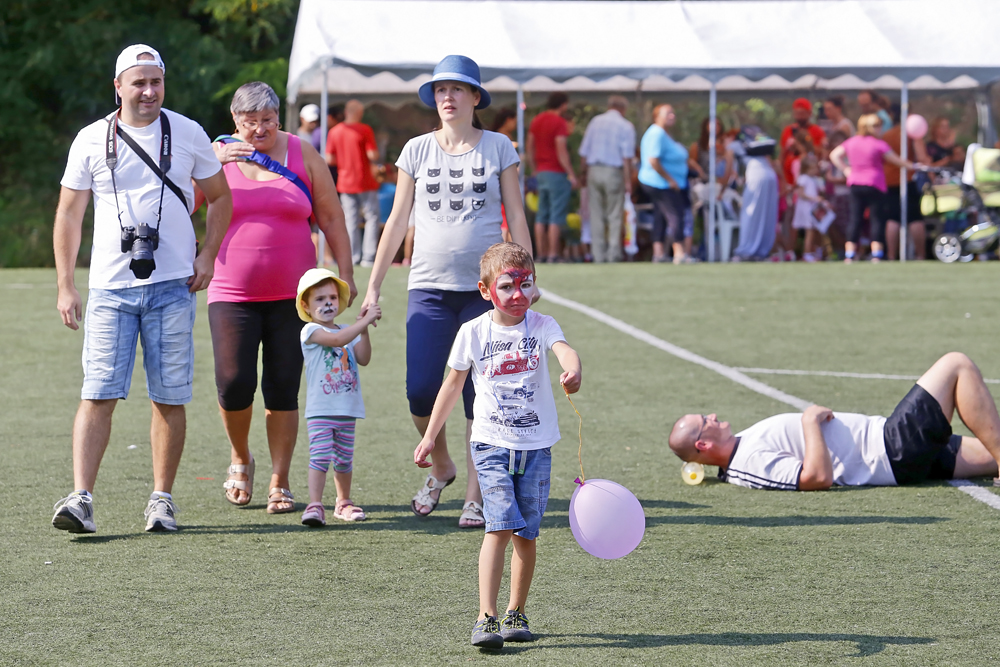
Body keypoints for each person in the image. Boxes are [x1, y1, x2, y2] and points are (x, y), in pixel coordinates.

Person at [52, 45, 232, 534]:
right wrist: (66, 284)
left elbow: (220, 197)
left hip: (173, 285)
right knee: (97, 393)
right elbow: (69, 213)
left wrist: (207, 255)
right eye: (139, 83)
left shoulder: (188, 132)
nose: (149, 91)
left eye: (156, 82)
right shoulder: (91, 139)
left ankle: (161, 500)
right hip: (110, 288)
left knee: (169, 397)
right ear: (118, 86)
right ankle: (81, 499)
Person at [359, 55, 532, 528]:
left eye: (457, 89)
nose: (448, 97)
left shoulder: (498, 147)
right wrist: (373, 286)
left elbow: (516, 214)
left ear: (476, 97)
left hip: (484, 293)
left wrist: (526, 277)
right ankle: (442, 466)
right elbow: (397, 220)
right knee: (420, 392)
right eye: (440, 90)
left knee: (481, 396)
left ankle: (476, 496)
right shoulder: (415, 149)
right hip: (428, 288)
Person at [413, 243, 582, 649]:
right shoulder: (472, 332)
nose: (518, 294)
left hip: (537, 446)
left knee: (527, 533)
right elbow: (451, 386)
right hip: (491, 445)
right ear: (485, 290)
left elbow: (564, 349)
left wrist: (573, 368)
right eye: (507, 286)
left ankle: (515, 612)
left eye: (526, 284)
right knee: (500, 525)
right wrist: (430, 435)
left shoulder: (542, 325)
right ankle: (485, 617)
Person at [207, 81, 355, 514]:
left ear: (279, 117)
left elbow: (331, 215)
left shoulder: (301, 151)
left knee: (283, 385)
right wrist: (209, 165)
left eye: (268, 120)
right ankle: (240, 456)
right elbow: (179, 202)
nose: (260, 130)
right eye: (250, 122)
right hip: (230, 290)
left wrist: (345, 273)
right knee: (233, 382)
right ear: (235, 120)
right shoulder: (214, 155)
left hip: (295, 295)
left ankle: (279, 477)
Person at [668, 352, 1000, 491]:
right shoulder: (747, 464)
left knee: (993, 452)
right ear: (703, 444)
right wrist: (810, 422)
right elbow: (815, 478)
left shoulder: (740, 447)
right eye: (705, 420)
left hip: (893, 448)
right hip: (892, 450)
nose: (713, 416)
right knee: (956, 363)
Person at [296, 268, 381, 527]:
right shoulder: (310, 330)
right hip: (321, 410)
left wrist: (364, 330)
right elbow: (336, 341)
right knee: (320, 457)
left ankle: (343, 502)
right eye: (320, 299)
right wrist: (363, 323)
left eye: (332, 298)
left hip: (347, 409)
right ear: (306, 306)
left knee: (344, 460)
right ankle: (314, 504)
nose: (328, 303)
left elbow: (364, 358)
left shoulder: (348, 330)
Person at [830, 114, 916, 262]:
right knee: (876, 219)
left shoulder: (852, 142)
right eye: (877, 126)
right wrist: (913, 166)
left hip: (856, 184)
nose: (880, 129)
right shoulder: (878, 144)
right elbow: (896, 160)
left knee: (855, 219)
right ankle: (876, 254)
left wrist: (846, 170)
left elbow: (835, 155)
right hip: (875, 184)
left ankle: (850, 254)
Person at [577, 95, 636, 263]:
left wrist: (583, 173)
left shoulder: (595, 122)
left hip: (594, 170)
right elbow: (627, 157)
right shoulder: (626, 126)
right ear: (623, 109)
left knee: (596, 214)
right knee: (614, 214)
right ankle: (613, 254)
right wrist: (628, 181)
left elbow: (584, 152)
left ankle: (597, 254)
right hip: (613, 171)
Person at [326, 99, 381, 266]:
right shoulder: (365, 130)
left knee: (350, 220)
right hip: (365, 181)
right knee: (372, 218)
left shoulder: (335, 132)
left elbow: (329, 158)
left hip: (345, 182)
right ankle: (368, 257)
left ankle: (353, 256)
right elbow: (372, 155)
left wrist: (344, 161)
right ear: (359, 113)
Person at [527, 93, 578, 263]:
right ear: (563, 105)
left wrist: (534, 168)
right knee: (557, 214)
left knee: (541, 215)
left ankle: (540, 254)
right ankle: (553, 254)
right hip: (556, 172)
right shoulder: (559, 122)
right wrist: (571, 173)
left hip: (541, 172)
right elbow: (561, 149)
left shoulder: (537, 120)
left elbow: (530, 146)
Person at [639, 103, 691, 263]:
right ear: (657, 116)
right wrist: (670, 180)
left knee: (660, 216)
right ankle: (679, 253)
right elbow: (653, 160)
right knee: (675, 214)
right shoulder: (657, 133)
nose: (672, 116)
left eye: (673, 113)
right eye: (668, 113)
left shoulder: (664, 134)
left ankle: (658, 253)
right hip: (660, 183)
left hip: (663, 182)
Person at [882, 107, 930, 260]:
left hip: (890, 180)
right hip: (908, 179)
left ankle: (891, 256)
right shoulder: (911, 134)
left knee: (893, 218)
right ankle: (920, 255)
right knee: (915, 217)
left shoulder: (886, 135)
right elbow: (922, 157)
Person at [731, 126, 780, 261]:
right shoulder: (759, 148)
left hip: (756, 176)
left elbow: (729, 167)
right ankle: (762, 250)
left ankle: (746, 250)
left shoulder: (734, 145)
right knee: (767, 214)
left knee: (750, 213)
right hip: (770, 176)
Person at [792, 154, 830, 262]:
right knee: (809, 231)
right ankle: (806, 253)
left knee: (816, 231)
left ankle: (816, 252)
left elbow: (820, 191)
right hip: (806, 209)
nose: (815, 171)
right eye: (812, 168)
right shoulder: (803, 178)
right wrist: (814, 198)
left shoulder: (814, 179)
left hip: (813, 209)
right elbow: (801, 194)